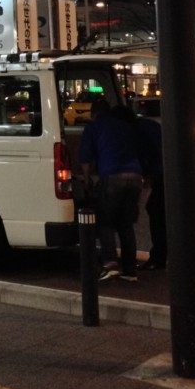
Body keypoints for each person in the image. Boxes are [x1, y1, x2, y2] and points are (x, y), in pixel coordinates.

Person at [79, 100, 144, 283]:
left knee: (105, 222)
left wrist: (86, 180)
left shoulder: (93, 127)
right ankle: (130, 271)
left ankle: (110, 264)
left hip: (112, 175)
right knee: (125, 224)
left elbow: (85, 158)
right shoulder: (126, 126)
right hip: (135, 176)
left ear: (93, 113)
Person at [135, 114, 166, 270]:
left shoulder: (138, 131)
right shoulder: (151, 125)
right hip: (166, 170)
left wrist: (146, 176)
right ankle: (161, 255)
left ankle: (159, 257)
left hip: (159, 174)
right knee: (159, 211)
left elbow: (144, 156)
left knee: (156, 212)